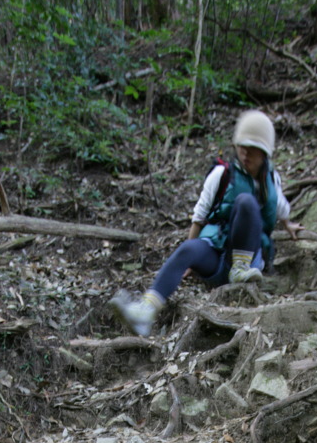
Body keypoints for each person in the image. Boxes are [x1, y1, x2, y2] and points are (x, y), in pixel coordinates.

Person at [111, 109, 302, 337]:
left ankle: (241, 268)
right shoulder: (222, 174)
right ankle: (145, 311)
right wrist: (191, 260)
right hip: (219, 257)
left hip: (248, 263)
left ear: (265, 155)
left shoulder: (271, 181)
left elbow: (280, 208)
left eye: (253, 150)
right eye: (242, 147)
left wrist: (288, 225)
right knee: (189, 248)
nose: (245, 154)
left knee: (246, 202)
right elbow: (199, 217)